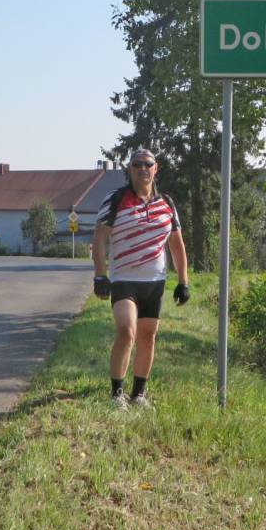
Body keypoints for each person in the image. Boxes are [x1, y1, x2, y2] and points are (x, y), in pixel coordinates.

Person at [92, 149, 190, 410]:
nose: (143, 168)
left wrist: (184, 281)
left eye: (148, 164)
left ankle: (139, 395)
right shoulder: (115, 200)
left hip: (155, 282)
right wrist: (100, 275)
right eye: (137, 164)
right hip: (124, 279)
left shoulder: (166, 203)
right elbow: (99, 239)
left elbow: (177, 245)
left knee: (148, 336)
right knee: (127, 331)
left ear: (156, 169)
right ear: (129, 169)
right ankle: (117, 394)